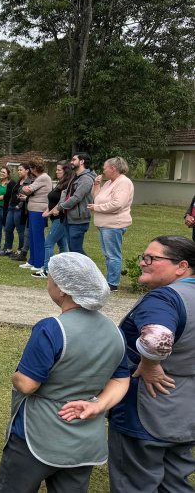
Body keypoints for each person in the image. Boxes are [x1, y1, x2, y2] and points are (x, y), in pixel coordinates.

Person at [0, 252, 129, 492]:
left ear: (63, 288)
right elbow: (120, 379)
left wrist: (15, 376)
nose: (48, 282)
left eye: (50, 278)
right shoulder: (114, 331)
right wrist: (97, 406)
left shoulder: (52, 328)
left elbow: (26, 384)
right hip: (84, 438)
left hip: (38, 435)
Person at [108, 235, 195, 492]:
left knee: (134, 483)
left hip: (147, 407)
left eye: (152, 259)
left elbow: (157, 339)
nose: (144, 263)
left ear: (181, 266)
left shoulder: (165, 298)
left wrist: (149, 364)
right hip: (186, 409)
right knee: (175, 482)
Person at [89, 157, 134, 292]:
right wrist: (96, 185)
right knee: (108, 254)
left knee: (113, 254)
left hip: (114, 224)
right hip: (104, 224)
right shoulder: (110, 182)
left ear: (113, 168)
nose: (103, 171)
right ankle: (109, 280)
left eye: (105, 168)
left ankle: (112, 283)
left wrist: (96, 208)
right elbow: (97, 198)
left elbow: (117, 205)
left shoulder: (123, 183)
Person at [50, 152, 96, 256]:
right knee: (72, 248)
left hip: (79, 220)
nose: (71, 162)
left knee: (76, 249)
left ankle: (89, 270)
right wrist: (61, 206)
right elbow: (66, 193)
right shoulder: (76, 177)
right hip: (69, 218)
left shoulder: (86, 179)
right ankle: (78, 271)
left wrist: (60, 207)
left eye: (74, 159)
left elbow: (76, 198)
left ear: (82, 161)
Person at [34, 161, 74, 279]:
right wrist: (47, 210)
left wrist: (49, 213)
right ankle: (64, 270)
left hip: (60, 218)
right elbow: (52, 201)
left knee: (48, 243)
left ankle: (47, 270)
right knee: (62, 244)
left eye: (59, 170)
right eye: (56, 170)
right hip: (55, 217)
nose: (56, 172)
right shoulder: (60, 184)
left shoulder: (67, 185)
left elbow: (61, 202)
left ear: (66, 171)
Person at [21, 157, 52, 272]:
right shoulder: (40, 178)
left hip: (39, 210)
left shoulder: (43, 178)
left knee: (38, 237)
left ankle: (39, 263)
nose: (30, 170)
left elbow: (28, 190)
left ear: (34, 168)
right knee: (32, 236)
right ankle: (32, 261)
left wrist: (24, 187)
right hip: (34, 210)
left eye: (31, 168)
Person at [1, 163, 31, 258]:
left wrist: (20, 205)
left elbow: (29, 196)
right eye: (18, 170)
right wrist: (10, 204)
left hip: (19, 209)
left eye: (20, 170)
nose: (19, 172)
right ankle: (9, 249)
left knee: (20, 230)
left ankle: (20, 251)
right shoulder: (18, 181)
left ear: (27, 170)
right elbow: (13, 194)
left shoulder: (30, 182)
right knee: (8, 229)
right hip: (11, 207)